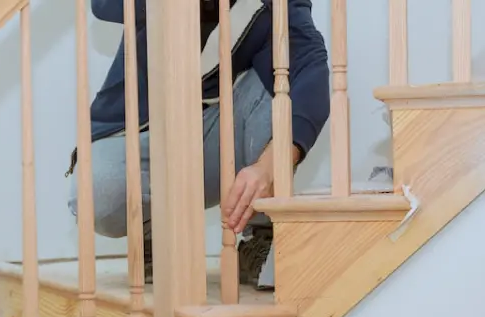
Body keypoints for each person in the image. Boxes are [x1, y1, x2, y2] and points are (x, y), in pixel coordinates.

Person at [66, 0, 330, 287]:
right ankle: (153, 234)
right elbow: (104, 5)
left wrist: (268, 168)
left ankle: (259, 234)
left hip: (215, 129)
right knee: (97, 192)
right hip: (141, 129)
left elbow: (311, 66)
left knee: (283, 78)